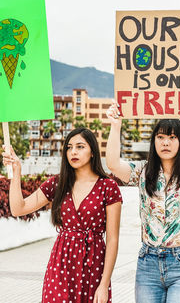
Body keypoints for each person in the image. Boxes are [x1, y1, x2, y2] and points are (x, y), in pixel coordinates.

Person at [105, 99, 180, 303]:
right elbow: (113, 164)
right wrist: (115, 124)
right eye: (161, 136)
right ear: (153, 140)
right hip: (149, 261)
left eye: (172, 137)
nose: (165, 142)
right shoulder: (143, 171)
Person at [2, 128, 123, 303]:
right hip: (61, 264)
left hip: (94, 265)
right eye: (69, 147)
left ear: (92, 153)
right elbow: (18, 209)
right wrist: (16, 171)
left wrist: (104, 284)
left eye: (80, 147)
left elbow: (113, 240)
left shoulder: (108, 187)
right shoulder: (57, 184)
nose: (73, 152)